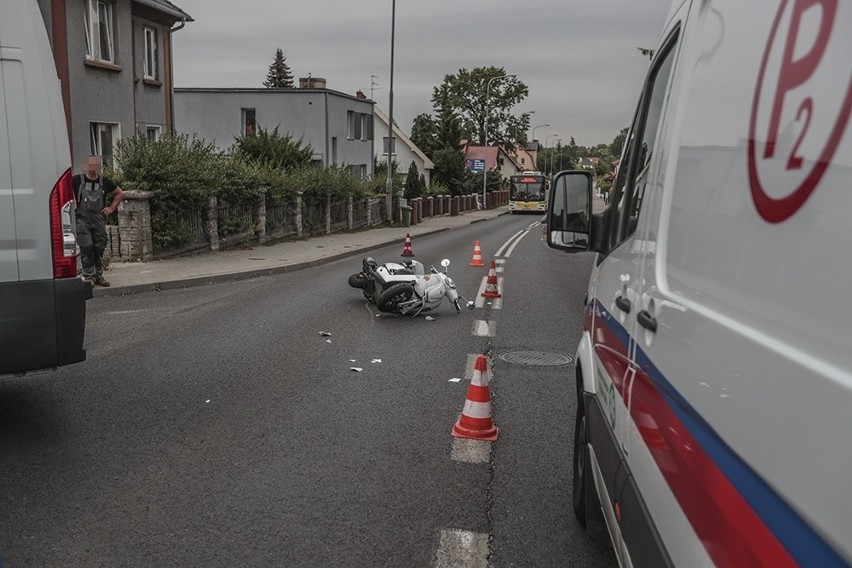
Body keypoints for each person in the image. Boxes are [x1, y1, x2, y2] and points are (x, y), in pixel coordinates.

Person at [72, 155, 124, 286]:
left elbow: (120, 193)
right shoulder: (77, 180)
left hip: (98, 219)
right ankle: (89, 275)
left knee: (99, 246)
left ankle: (98, 275)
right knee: (86, 246)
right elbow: (63, 188)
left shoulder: (104, 182)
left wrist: (111, 208)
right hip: (82, 219)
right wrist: (72, 200)